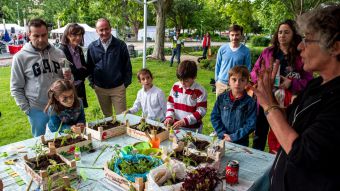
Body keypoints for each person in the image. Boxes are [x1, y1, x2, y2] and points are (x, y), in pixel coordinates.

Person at [250, 4, 340, 190]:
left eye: (307, 40)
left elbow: (302, 152)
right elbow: (290, 124)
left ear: (334, 47)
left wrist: (268, 105)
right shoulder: (317, 85)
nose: (300, 46)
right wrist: (271, 98)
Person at [250, 20, 313, 153]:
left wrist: (291, 83)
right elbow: (254, 70)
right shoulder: (268, 52)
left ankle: (277, 163)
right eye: (280, 32)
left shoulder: (300, 55)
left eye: (286, 32)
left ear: (293, 34)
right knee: (260, 132)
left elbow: (308, 80)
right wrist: (262, 80)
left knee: (281, 135)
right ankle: (256, 159)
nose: (282, 35)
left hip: (288, 103)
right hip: (266, 98)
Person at [10, 18, 67, 137]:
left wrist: (69, 78)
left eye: (44, 35)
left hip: (60, 106)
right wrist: (27, 110)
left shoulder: (59, 53)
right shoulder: (20, 57)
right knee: (41, 146)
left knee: (65, 140)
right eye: (36, 36)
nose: (41, 39)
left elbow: (67, 82)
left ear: (48, 33)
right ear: (29, 35)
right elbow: (15, 88)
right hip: (37, 110)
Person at [87, 18, 132, 117]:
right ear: (97, 31)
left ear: (110, 29)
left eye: (106, 29)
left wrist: (125, 83)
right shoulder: (92, 47)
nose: (104, 32)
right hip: (100, 89)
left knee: (122, 117)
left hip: (118, 88)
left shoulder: (120, 45)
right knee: (107, 118)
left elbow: (127, 66)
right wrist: (92, 84)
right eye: (101, 30)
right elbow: (89, 67)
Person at [211, 66, 256, 146]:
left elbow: (250, 124)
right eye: (234, 79)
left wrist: (233, 137)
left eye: (242, 80)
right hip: (222, 139)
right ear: (229, 81)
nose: (237, 83)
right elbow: (215, 116)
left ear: (246, 83)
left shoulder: (250, 102)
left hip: (241, 143)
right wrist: (222, 133)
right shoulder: (221, 98)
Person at [164, 60, 207, 133]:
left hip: (193, 129)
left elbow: (201, 111)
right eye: (180, 80)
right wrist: (169, 117)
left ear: (194, 77)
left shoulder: (200, 91)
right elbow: (170, 103)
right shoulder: (176, 87)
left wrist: (185, 121)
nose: (182, 83)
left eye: (186, 81)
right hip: (177, 127)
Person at [215, 24, 251, 97]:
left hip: (237, 85)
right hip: (221, 84)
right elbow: (217, 65)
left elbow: (247, 69)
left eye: (237, 35)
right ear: (229, 35)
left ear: (241, 35)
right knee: (220, 107)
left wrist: (244, 83)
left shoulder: (246, 51)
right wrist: (217, 81)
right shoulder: (222, 49)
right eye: (232, 35)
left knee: (235, 108)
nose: (234, 37)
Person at [59, 23, 89, 108]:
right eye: (75, 35)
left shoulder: (79, 49)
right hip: (68, 89)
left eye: (80, 35)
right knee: (70, 113)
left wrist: (79, 71)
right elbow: (68, 73)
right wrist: (80, 70)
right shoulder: (62, 51)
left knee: (80, 112)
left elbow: (86, 70)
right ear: (67, 35)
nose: (78, 38)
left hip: (80, 87)